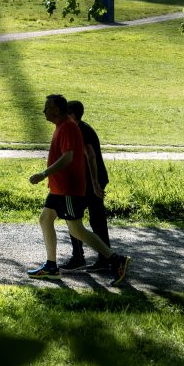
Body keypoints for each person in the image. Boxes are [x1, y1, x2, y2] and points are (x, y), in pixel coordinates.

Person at [27, 94, 130, 286]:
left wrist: (43, 174)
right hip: (59, 188)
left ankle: (116, 260)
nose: (44, 111)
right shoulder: (62, 126)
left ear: (56, 110)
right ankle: (51, 266)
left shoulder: (67, 126)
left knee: (76, 229)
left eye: (46, 107)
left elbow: (68, 158)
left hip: (67, 188)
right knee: (45, 219)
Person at [64, 100, 112, 272]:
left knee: (73, 218)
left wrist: (94, 183)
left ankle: (79, 257)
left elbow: (90, 156)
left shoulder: (79, 130)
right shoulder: (80, 128)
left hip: (89, 182)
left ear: (72, 115)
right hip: (92, 180)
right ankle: (105, 258)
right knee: (96, 219)